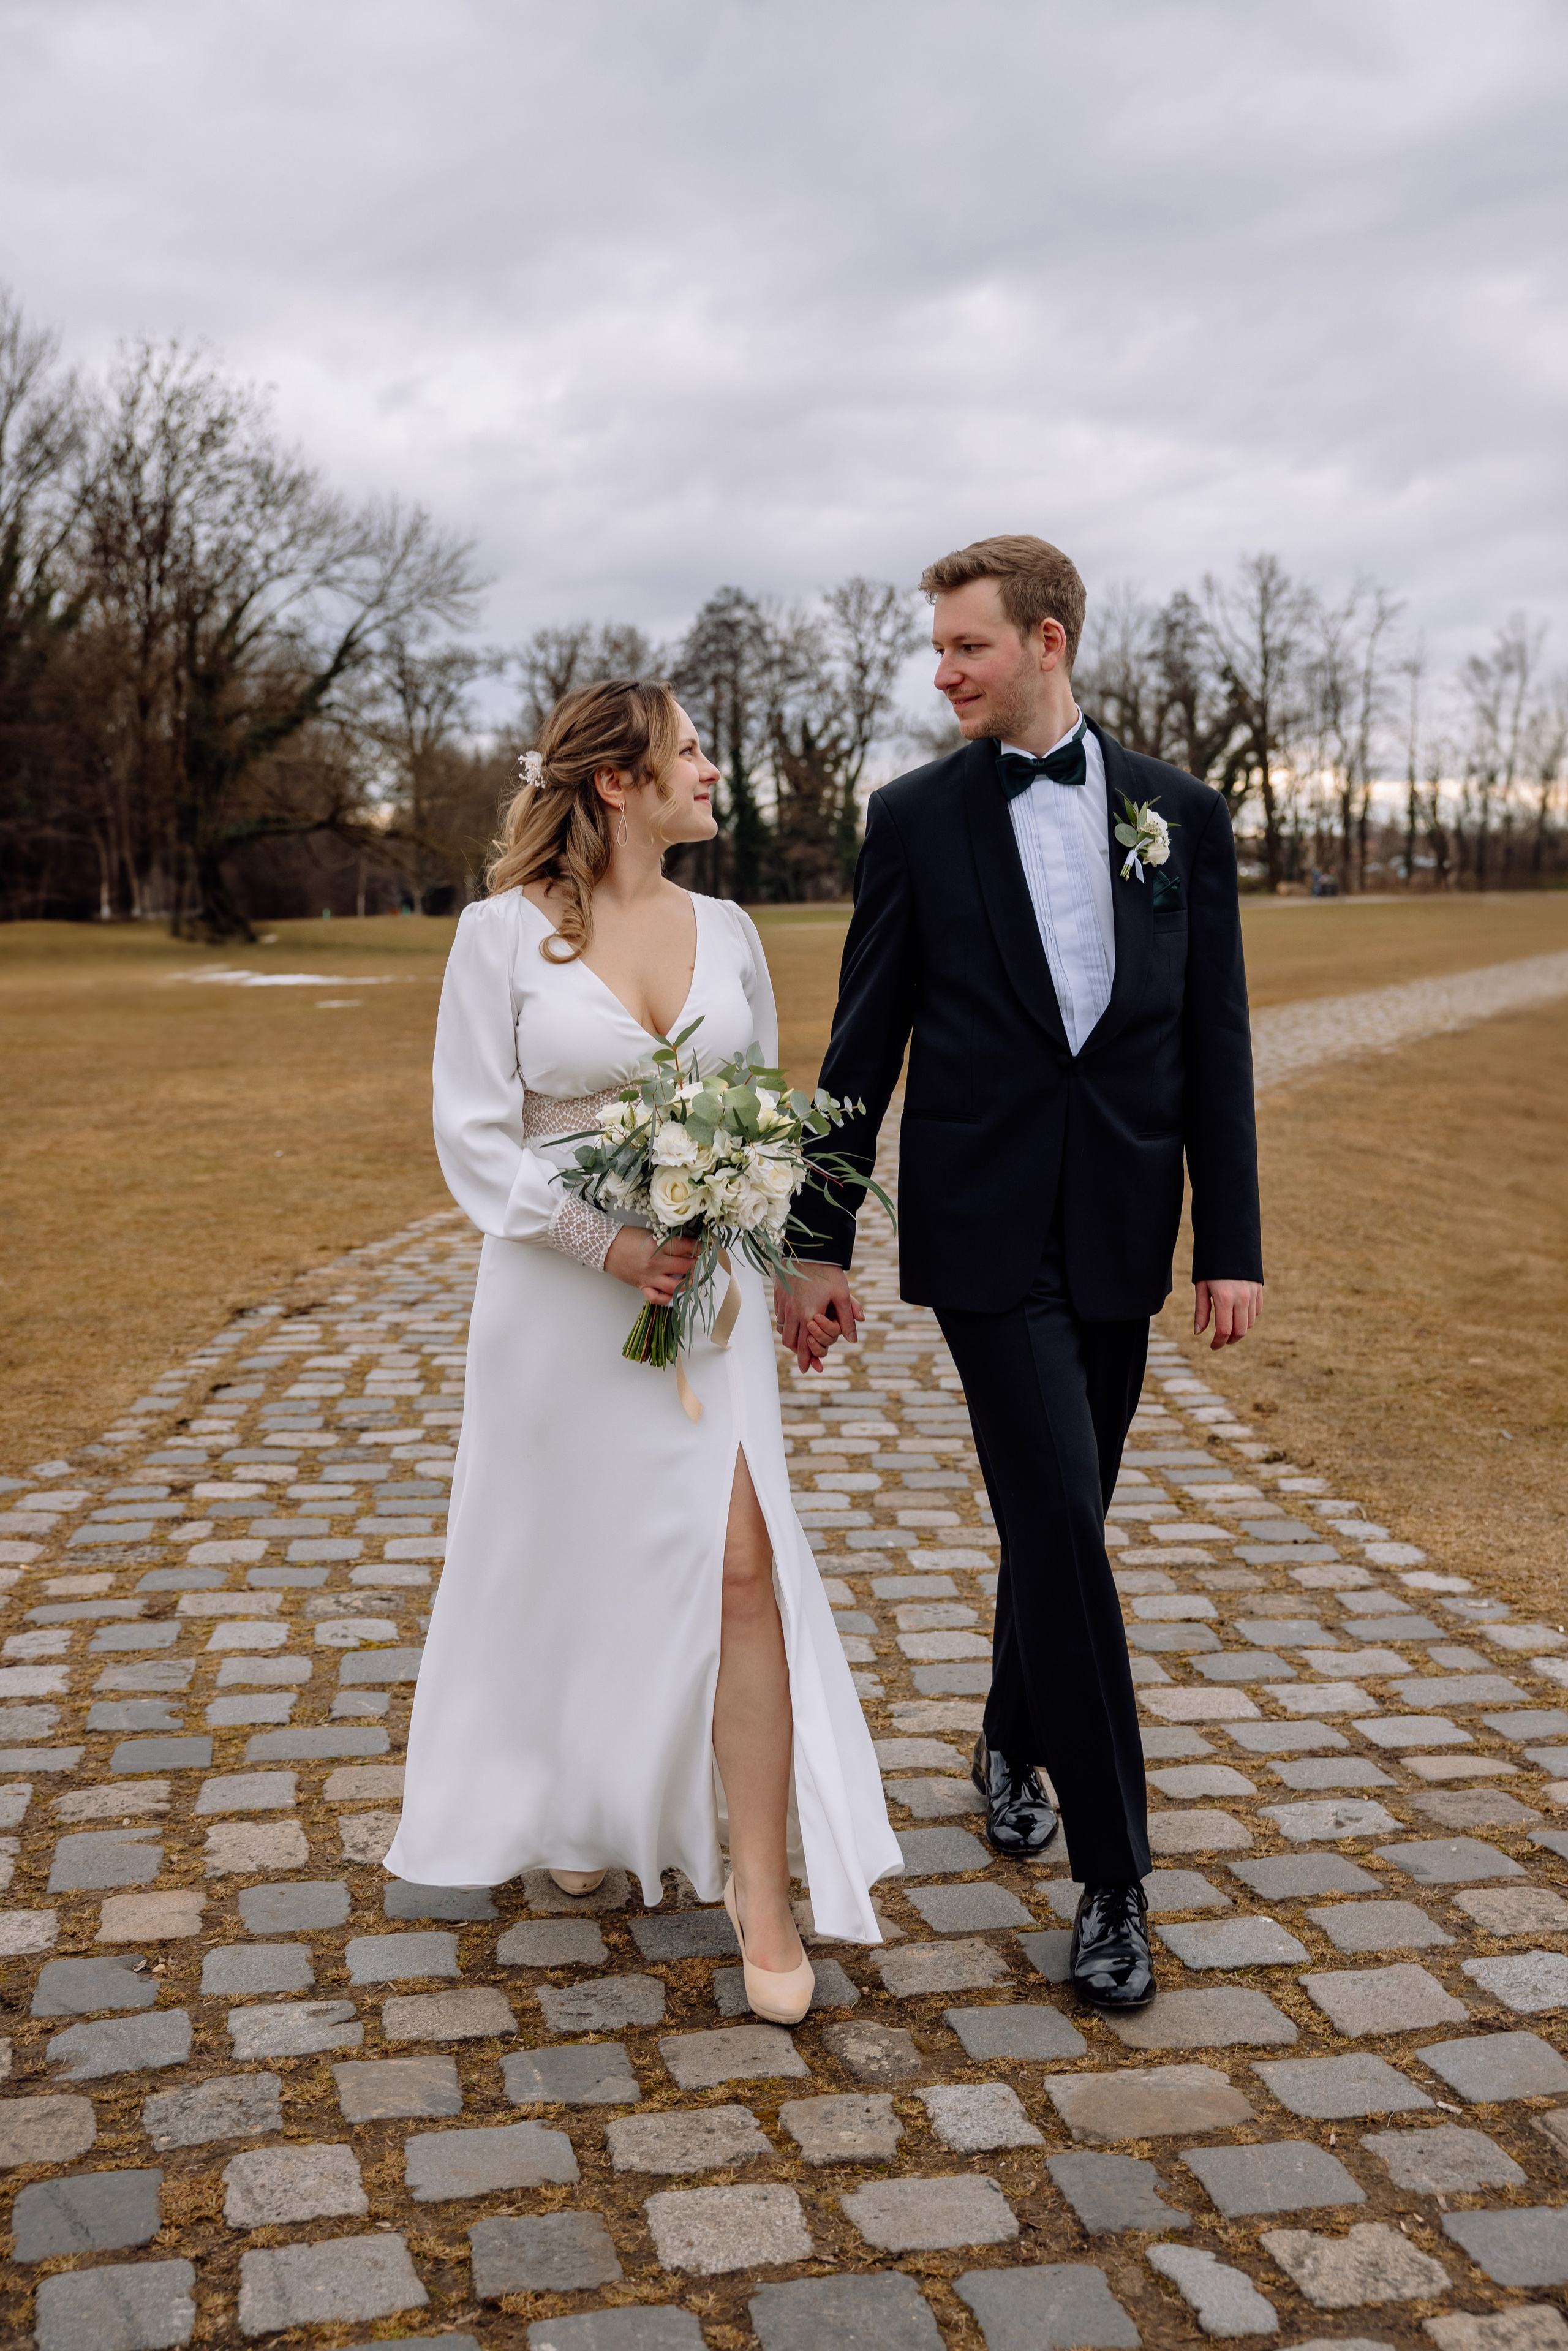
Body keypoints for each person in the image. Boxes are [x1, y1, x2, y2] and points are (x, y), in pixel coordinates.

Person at [780, 535, 1263, 2012]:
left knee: (1068, 1513)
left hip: (1120, 1224)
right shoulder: (912, 819)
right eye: (936, 650)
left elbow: (1214, 1046)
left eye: (965, 647)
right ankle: (1115, 1878)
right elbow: (863, 1041)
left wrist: (1227, 1242)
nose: (943, 673)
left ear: (1044, 640)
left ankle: (1006, 1728)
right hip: (985, 1234)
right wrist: (817, 1232)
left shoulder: (1179, 814)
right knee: (1056, 1510)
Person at [386, 679, 900, 2024]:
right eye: (689, 752)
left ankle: (762, 1889)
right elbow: (471, 1133)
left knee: (740, 1564)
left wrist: (790, 1270)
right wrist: (603, 1244)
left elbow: (765, 1117)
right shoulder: (498, 936)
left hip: (710, 1306)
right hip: (560, 1312)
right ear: (616, 781)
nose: (710, 770)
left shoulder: (727, 928)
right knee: (564, 1558)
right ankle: (574, 1794)